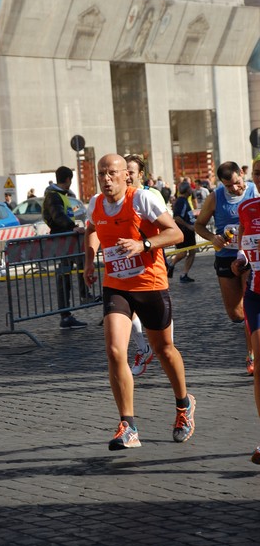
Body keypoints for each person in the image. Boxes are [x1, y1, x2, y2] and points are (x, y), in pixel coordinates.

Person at [84, 154, 195, 450]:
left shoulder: (142, 200)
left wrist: (142, 244)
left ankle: (184, 405)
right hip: (116, 285)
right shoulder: (95, 203)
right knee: (114, 350)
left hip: (150, 284)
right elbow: (92, 228)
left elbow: (176, 233)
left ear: (125, 176)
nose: (106, 179)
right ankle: (128, 425)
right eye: (101, 174)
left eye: (111, 174)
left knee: (164, 349)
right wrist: (89, 260)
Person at [195, 161, 257, 375]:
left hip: (250, 256)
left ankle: (252, 354)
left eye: (237, 183)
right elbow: (199, 225)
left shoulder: (254, 191)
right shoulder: (216, 197)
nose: (235, 188)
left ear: (242, 174)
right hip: (225, 255)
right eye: (229, 186)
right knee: (235, 313)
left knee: (250, 307)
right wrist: (213, 238)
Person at [231, 156, 260, 463]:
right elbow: (243, 243)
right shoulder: (247, 208)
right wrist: (240, 259)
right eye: (259, 174)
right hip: (256, 294)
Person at [124, 154, 159, 376]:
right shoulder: (114, 197)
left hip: (152, 265)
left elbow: (168, 230)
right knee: (128, 312)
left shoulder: (151, 195)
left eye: (130, 172)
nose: (126, 176)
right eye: (123, 172)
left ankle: (163, 351)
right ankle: (143, 349)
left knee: (158, 321)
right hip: (124, 267)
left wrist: (143, 244)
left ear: (140, 174)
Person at [43, 166, 88, 329]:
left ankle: (82, 298)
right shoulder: (54, 196)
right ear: (68, 179)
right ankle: (68, 312)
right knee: (64, 275)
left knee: (76, 266)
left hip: (65, 239)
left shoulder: (59, 195)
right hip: (63, 239)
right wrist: (72, 226)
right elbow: (58, 215)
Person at [167, 181, 197, 283]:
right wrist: (188, 226)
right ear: (187, 190)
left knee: (192, 252)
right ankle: (170, 265)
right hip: (184, 231)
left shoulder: (184, 200)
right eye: (190, 188)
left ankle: (184, 274)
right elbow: (177, 217)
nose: (191, 190)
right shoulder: (181, 201)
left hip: (188, 231)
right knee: (183, 252)